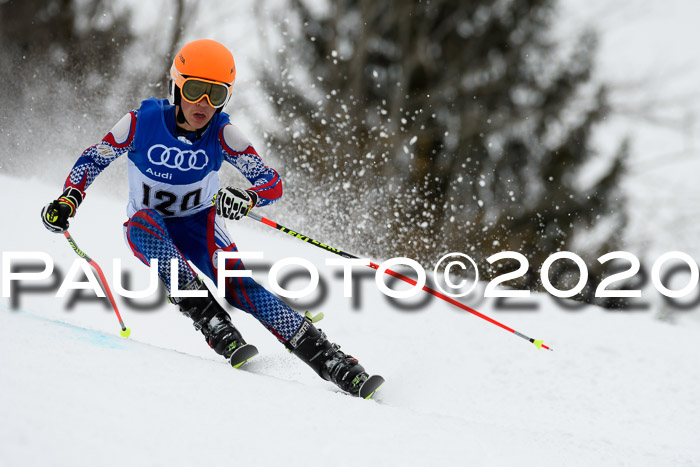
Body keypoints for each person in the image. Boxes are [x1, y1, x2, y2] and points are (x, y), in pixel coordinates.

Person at [41, 39, 381, 397]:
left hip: (199, 225)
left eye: (215, 94)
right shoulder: (140, 123)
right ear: (176, 86)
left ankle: (329, 359)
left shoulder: (223, 133)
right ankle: (211, 319)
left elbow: (272, 183)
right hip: (149, 225)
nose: (203, 103)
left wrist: (246, 197)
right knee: (144, 225)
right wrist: (70, 198)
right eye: (195, 90)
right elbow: (95, 157)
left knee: (240, 286)